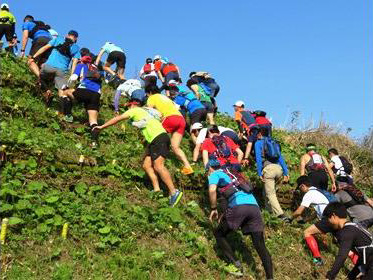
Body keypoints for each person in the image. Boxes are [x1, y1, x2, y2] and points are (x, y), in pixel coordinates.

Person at [93, 101, 183, 207]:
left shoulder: (135, 110)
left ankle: (173, 192)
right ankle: (157, 190)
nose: (128, 109)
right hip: (154, 140)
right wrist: (147, 151)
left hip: (159, 138)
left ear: (133, 105)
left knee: (159, 166)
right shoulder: (147, 113)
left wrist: (102, 126)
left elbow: (118, 118)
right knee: (146, 165)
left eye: (128, 106)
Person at [207, 158, 273, 279]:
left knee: (219, 233)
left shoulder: (215, 174)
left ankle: (235, 265)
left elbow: (212, 190)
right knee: (260, 244)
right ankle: (270, 277)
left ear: (210, 168)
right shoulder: (234, 174)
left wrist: (213, 208)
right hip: (254, 208)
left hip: (239, 206)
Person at [146, 85, 193, 175]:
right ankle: (187, 166)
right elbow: (177, 108)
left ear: (149, 93)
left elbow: (150, 111)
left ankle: (154, 157)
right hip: (181, 119)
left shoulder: (151, 97)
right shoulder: (165, 97)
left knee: (155, 136)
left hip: (170, 118)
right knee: (175, 147)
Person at [32, 30, 80, 114]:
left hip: (48, 67)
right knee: (62, 92)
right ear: (76, 39)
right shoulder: (76, 48)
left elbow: (45, 48)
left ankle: (47, 90)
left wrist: (34, 56)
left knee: (40, 76)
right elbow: (74, 63)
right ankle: (62, 113)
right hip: (62, 71)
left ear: (67, 35)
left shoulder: (58, 39)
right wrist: (72, 76)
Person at [291, 175, 336, 266]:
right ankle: (360, 268)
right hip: (337, 218)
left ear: (303, 186)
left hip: (328, 219)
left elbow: (299, 211)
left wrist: (290, 218)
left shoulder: (309, 194)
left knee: (307, 232)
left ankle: (317, 259)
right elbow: (317, 212)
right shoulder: (319, 191)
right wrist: (305, 220)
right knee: (344, 246)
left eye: (300, 188)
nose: (301, 191)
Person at [323, 202, 373, 280]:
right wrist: (351, 276)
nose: (329, 223)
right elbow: (365, 253)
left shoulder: (346, 232)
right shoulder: (355, 226)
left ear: (333, 216)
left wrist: (330, 277)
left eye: (328, 219)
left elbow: (342, 256)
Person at [63, 52, 103, 147]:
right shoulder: (97, 69)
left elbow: (74, 77)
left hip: (84, 90)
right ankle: (94, 142)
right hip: (96, 94)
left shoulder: (82, 65)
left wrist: (67, 86)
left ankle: (68, 115)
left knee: (66, 93)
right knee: (93, 120)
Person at [254, 128, 290, 222]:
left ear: (260, 133)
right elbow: (280, 158)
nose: (256, 135)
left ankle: (280, 215)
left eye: (257, 133)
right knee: (266, 191)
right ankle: (269, 211)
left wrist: (259, 172)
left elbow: (258, 159)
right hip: (279, 169)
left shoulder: (258, 143)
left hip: (269, 170)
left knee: (271, 193)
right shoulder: (274, 143)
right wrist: (286, 172)